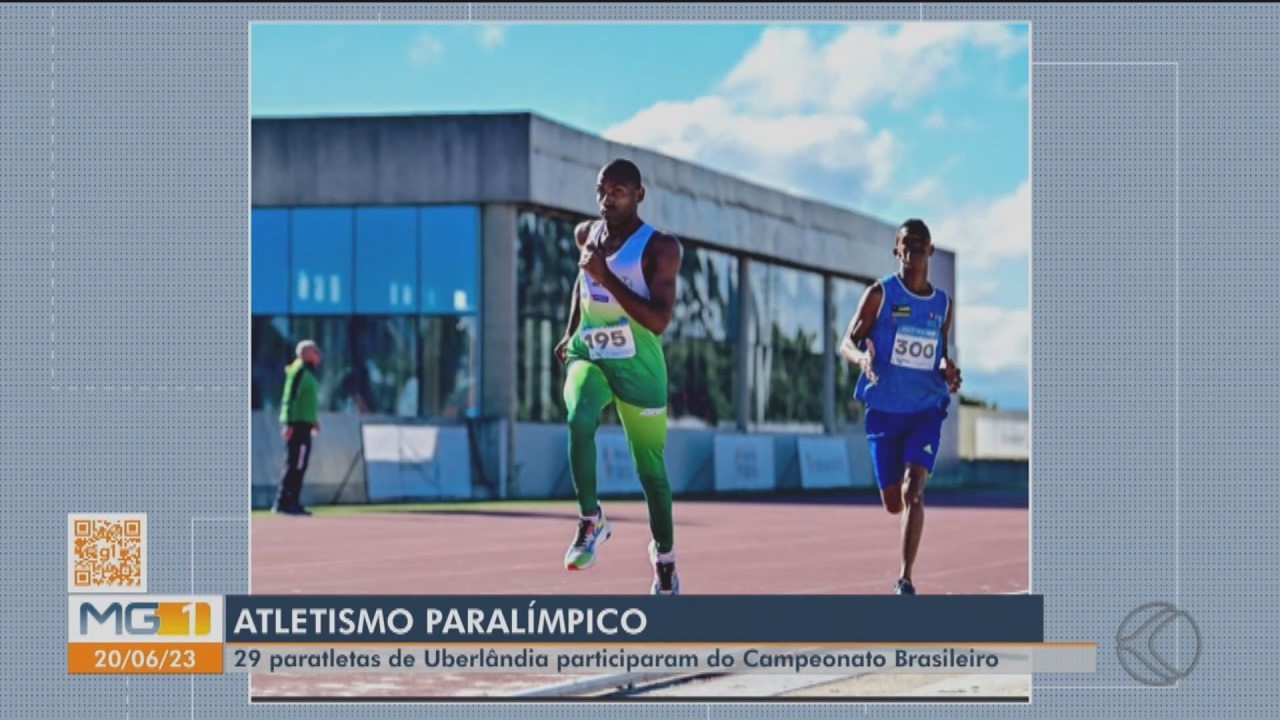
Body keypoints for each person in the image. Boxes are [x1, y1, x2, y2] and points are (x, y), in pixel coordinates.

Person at [553, 158, 684, 595]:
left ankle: (664, 558)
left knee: (651, 473)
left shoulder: (660, 248)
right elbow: (580, 282)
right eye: (602, 190)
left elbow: (660, 321)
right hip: (591, 353)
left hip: (639, 366)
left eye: (619, 191)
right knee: (578, 417)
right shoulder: (585, 234)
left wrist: (606, 275)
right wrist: (572, 330)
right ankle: (591, 520)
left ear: (639, 195)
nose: (607, 198)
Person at [839, 219, 962, 595]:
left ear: (931, 251)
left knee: (914, 490)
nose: (914, 252)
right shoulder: (880, 294)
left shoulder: (942, 304)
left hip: (925, 408)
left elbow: (939, 357)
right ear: (897, 250)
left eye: (921, 246)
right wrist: (862, 360)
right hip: (885, 412)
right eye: (907, 245)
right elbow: (845, 342)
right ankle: (904, 560)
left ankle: (905, 579)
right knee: (893, 502)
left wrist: (948, 371)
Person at [274, 339, 322, 516]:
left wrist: (314, 419)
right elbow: (290, 397)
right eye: (315, 351)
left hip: (305, 424)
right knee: (294, 464)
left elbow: (306, 401)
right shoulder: (299, 370)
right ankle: (284, 502)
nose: (319, 355)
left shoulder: (309, 373)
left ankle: (292, 501)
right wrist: (289, 423)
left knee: (299, 464)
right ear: (307, 353)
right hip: (297, 426)